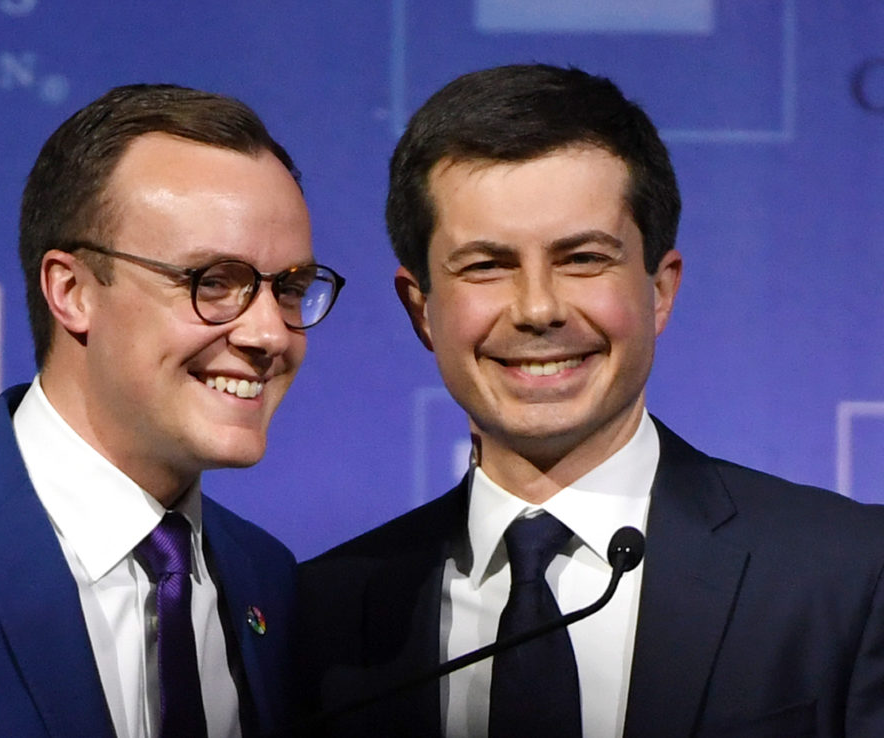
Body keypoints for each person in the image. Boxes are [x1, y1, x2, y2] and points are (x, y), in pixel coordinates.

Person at [298, 64, 884, 737]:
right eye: (486, 265)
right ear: (420, 309)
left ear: (659, 290)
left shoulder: (849, 575)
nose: (539, 308)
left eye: (582, 258)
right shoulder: (324, 613)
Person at [0, 84, 344, 738]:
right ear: (73, 291)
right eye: (214, 282)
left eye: (287, 288)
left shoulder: (271, 581)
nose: (270, 333)